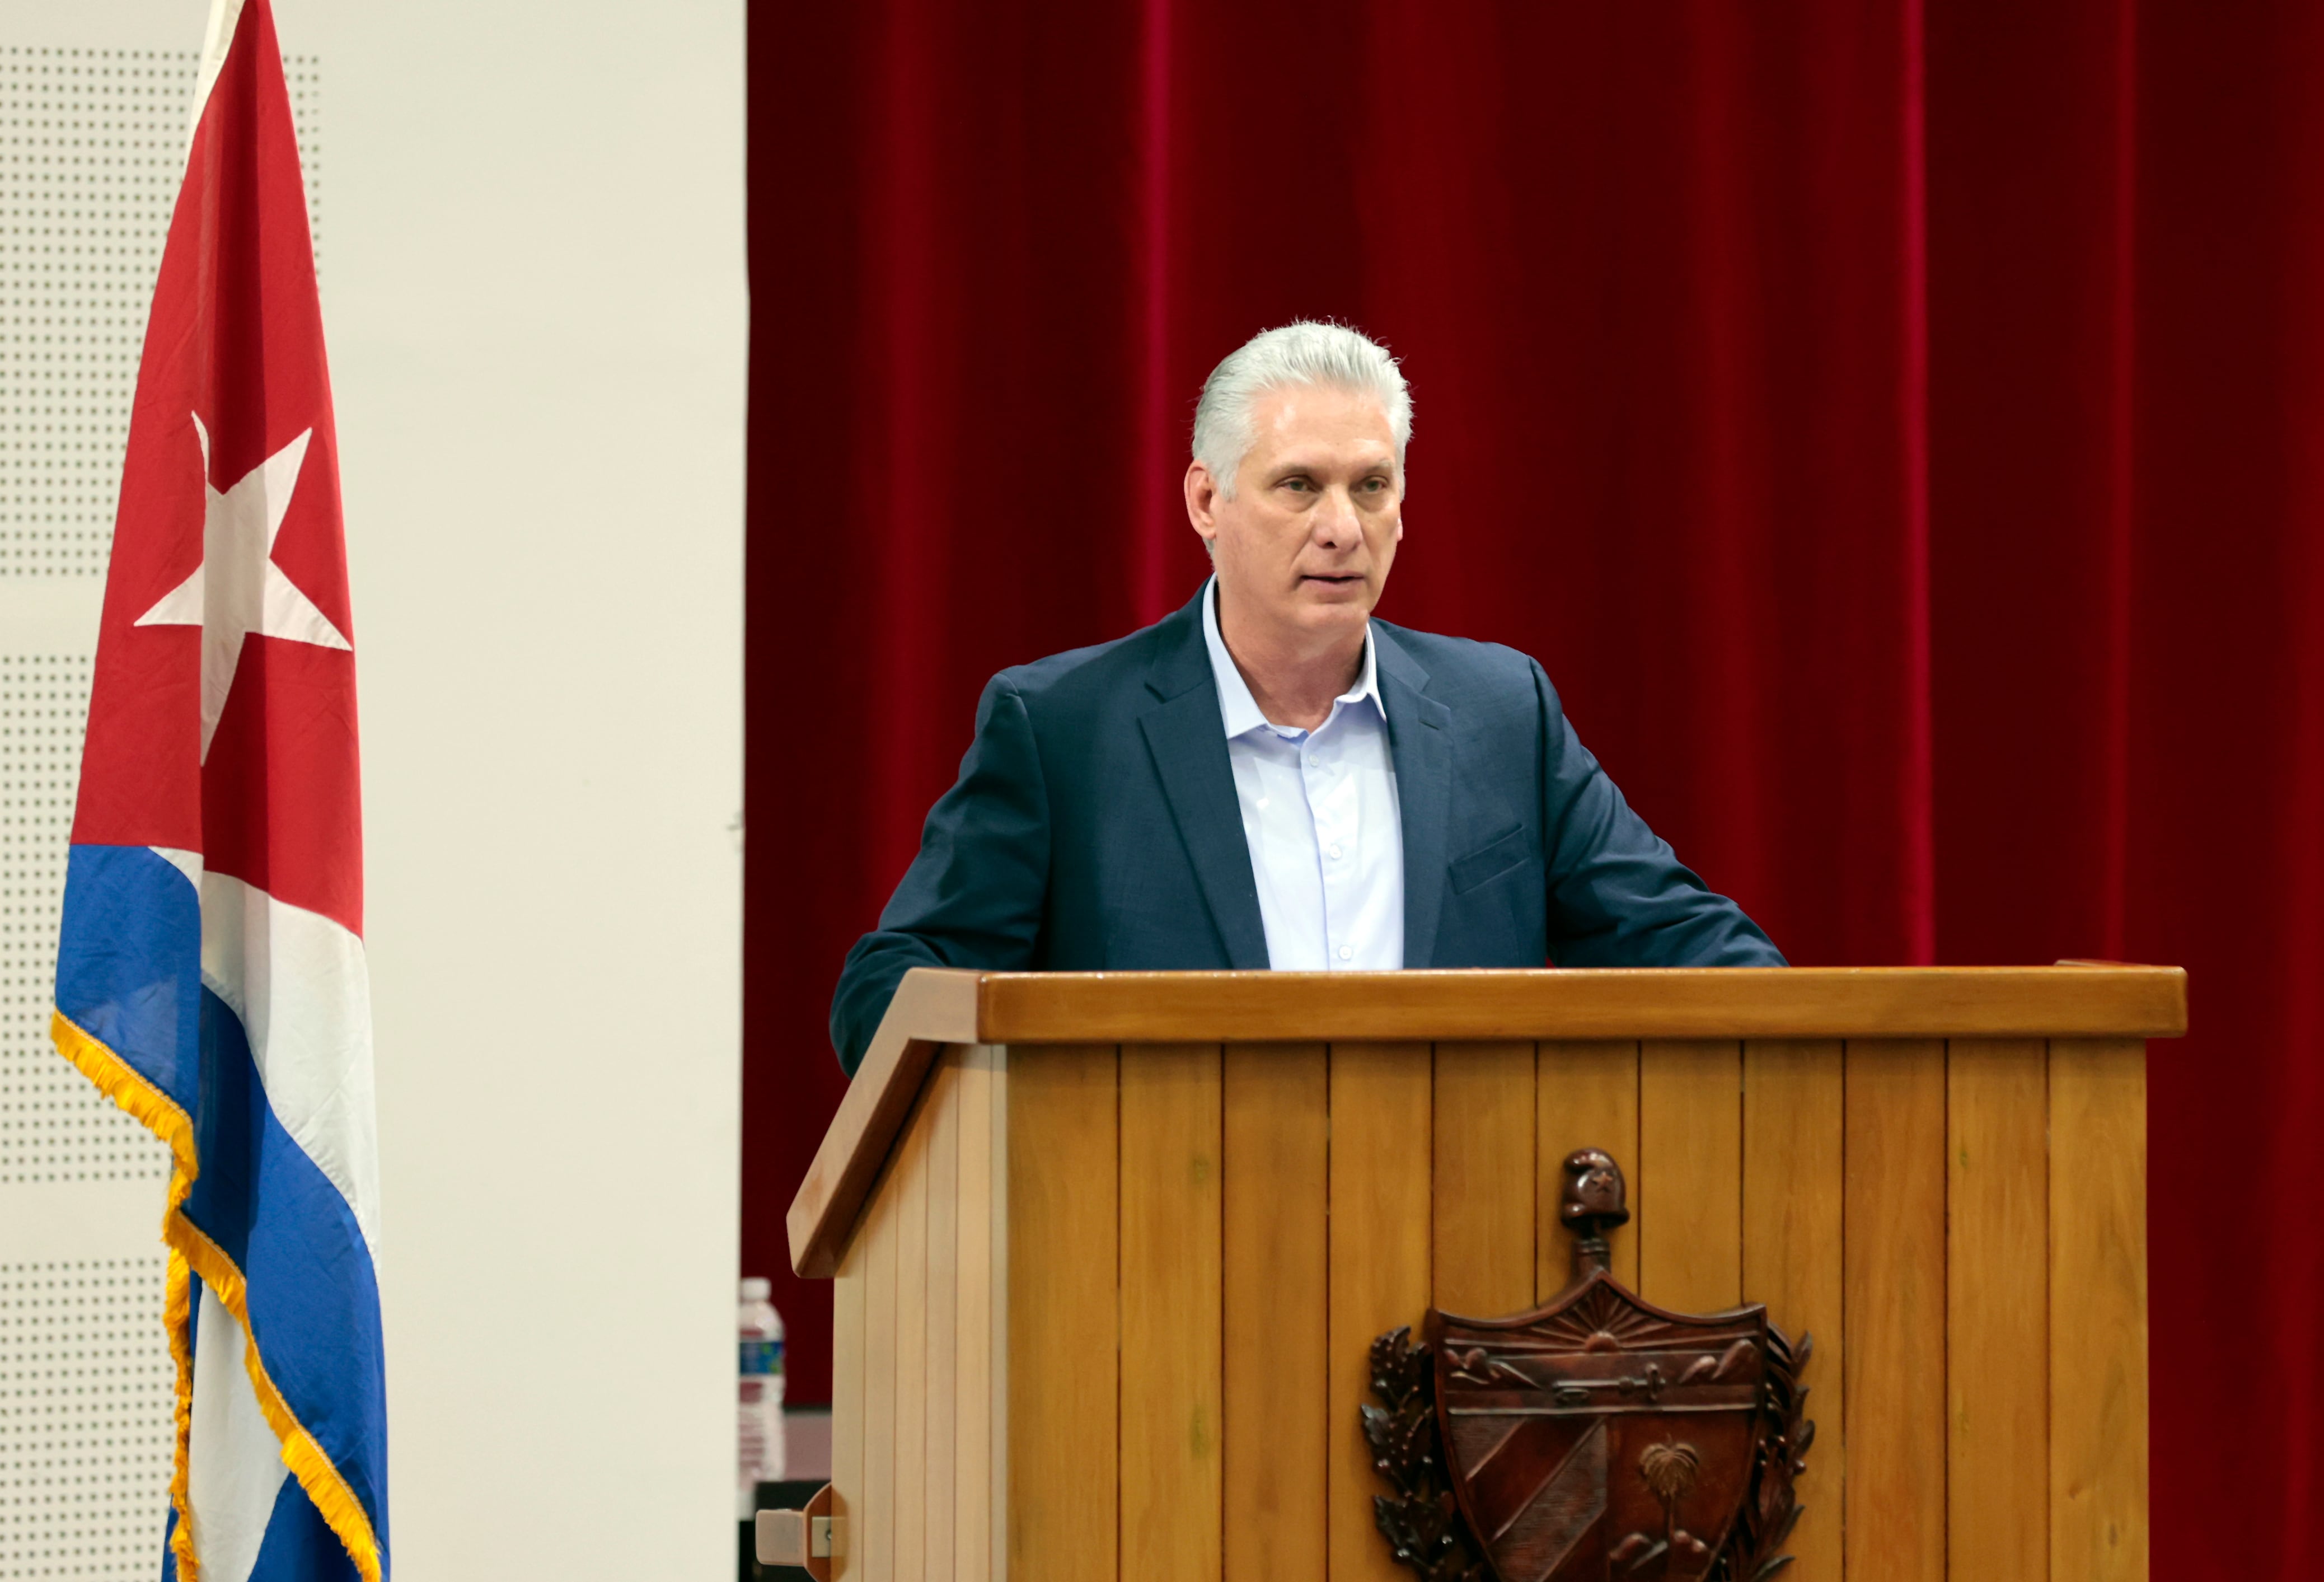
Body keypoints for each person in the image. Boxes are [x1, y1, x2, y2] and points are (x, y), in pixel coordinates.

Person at [830, 321, 1782, 1073]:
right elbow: (892, 991)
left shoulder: (1502, 712)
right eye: (1299, 485)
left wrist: (1825, 1036)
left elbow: (1688, 944)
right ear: (1208, 501)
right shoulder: (1065, 730)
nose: (1342, 528)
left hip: (1457, 1258)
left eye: (1372, 485)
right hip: (1160, 1245)